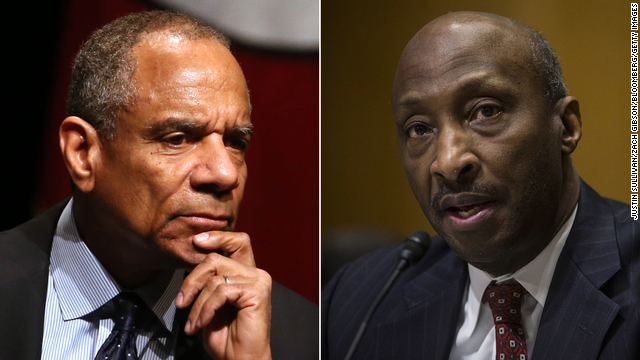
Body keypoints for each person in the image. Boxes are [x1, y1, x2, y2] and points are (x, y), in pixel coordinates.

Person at [0, 10, 317, 360]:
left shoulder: (301, 338)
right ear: (83, 152)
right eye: (178, 138)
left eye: (235, 143)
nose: (225, 174)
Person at [322, 11, 638, 360]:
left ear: (565, 126)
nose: (448, 162)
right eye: (419, 129)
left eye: (485, 111)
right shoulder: (356, 301)